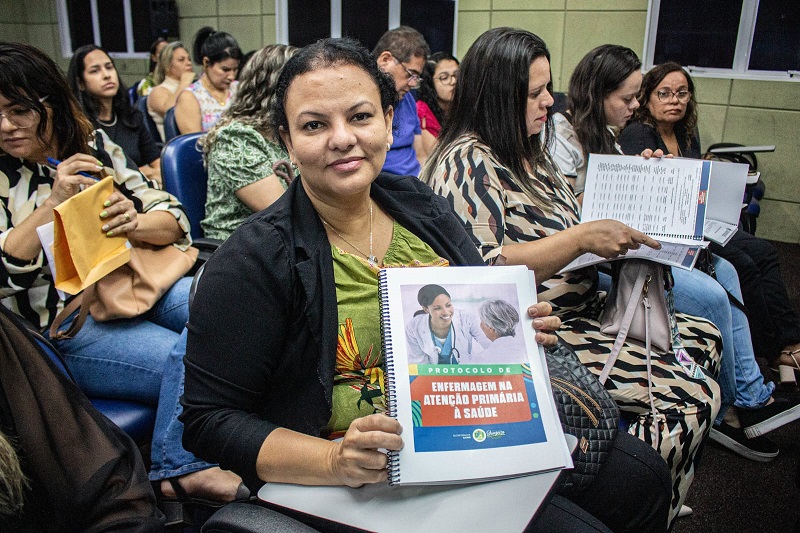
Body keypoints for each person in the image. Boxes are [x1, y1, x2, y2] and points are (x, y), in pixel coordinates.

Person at [181, 37, 671, 533]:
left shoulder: (414, 202)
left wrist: (517, 325)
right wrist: (335, 462)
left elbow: (477, 299)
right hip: (361, 476)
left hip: (473, 426)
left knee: (645, 480)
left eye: (360, 117)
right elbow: (209, 421)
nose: (342, 138)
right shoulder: (254, 259)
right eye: (314, 125)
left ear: (389, 122)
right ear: (286, 141)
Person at [420, 27, 722, 525]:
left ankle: (647, 492)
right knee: (687, 398)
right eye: (535, 93)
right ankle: (634, 496)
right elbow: (480, 268)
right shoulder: (467, 161)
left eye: (548, 88)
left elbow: (573, 215)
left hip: (578, 306)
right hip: (536, 329)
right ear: (498, 96)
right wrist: (580, 240)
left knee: (706, 335)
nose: (549, 102)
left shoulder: (529, 147)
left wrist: (641, 184)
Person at [0, 41, 244, 509]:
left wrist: (131, 220)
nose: (6, 127)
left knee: (232, 301)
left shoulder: (90, 144)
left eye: (18, 111)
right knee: (201, 348)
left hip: (131, 287)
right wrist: (51, 206)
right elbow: (6, 271)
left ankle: (228, 445)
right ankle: (180, 469)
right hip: (63, 327)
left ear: (49, 102)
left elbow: (170, 213)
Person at [550, 46, 800, 461]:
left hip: (626, 249)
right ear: (597, 93)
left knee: (731, 271)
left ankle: (751, 395)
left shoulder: (610, 135)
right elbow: (572, 219)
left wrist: (649, 175)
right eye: (628, 98)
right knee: (713, 295)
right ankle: (734, 411)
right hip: (597, 260)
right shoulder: (563, 139)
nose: (635, 107)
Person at [619, 62, 800, 390]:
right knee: (743, 265)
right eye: (665, 93)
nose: (675, 100)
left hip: (699, 216)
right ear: (646, 98)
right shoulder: (638, 134)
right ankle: (774, 351)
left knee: (765, 251)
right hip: (674, 224)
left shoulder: (685, 132)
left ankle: (788, 344)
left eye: (682, 93)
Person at [0, 305, 164, 531]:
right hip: (61, 324)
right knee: (185, 362)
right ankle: (181, 470)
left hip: (94, 301)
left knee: (208, 317)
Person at [201, 44, 297, 240]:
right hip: (238, 246)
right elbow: (282, 212)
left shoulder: (286, 131)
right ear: (276, 89)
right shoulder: (234, 138)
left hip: (278, 240)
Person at [67, 44, 162, 186]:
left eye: (109, 67)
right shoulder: (80, 126)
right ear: (81, 84)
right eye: (95, 71)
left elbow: (158, 165)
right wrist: (143, 172)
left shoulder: (132, 117)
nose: (106, 75)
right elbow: (99, 178)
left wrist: (141, 173)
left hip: (144, 191)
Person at [373, 26, 429, 176]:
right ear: (385, 60)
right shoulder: (361, 102)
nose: (412, 84)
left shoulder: (408, 99)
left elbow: (421, 154)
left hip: (415, 183)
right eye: (410, 74)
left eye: (416, 78)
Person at [174, 27, 241, 135]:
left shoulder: (240, 89)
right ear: (206, 63)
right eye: (225, 70)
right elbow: (194, 145)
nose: (231, 76)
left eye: (235, 69)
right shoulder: (190, 97)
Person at [405, 284, 490, 364]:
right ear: (426, 309)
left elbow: (489, 344)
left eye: (448, 305)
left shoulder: (466, 319)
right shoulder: (413, 327)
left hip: (464, 373)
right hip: (433, 376)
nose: (445, 312)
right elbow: (419, 363)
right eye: (437, 308)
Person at [147, 41, 194, 142]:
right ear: (167, 65)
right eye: (181, 60)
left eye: (189, 59)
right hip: (174, 149)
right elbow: (169, 112)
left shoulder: (194, 87)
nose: (189, 63)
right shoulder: (158, 91)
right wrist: (184, 83)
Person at [415, 52, 459, 153]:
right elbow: (434, 155)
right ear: (430, 83)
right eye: (444, 78)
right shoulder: (421, 111)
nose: (453, 82)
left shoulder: (465, 107)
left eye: (457, 75)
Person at [475, 299, 527, 364]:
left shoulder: (484, 358)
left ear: (491, 328)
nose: (481, 325)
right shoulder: (525, 351)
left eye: (481, 320)